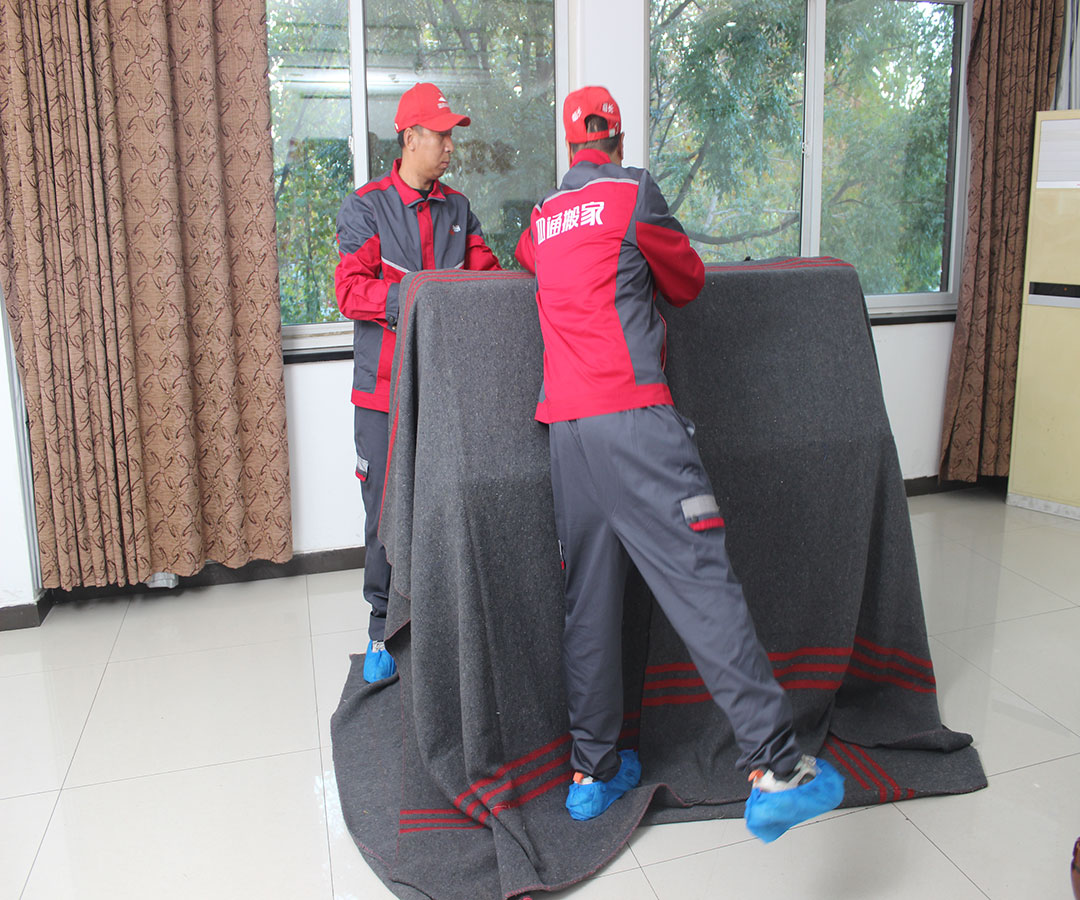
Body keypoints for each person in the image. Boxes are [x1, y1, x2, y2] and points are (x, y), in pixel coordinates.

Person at [514, 85, 843, 840]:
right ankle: (777, 768)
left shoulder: (542, 217)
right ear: (619, 140)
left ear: (571, 148)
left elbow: (533, 259)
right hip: (634, 422)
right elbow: (687, 283)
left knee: (588, 603)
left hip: (566, 434)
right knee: (702, 584)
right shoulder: (633, 194)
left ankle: (591, 775)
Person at [336, 82, 501, 683]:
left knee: (447, 506)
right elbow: (350, 291)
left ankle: (441, 623)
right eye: (441, 135)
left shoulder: (458, 209)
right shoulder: (367, 207)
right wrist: (420, 295)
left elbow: (488, 276)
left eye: (453, 135)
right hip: (383, 394)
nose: (450, 146)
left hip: (445, 393)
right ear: (410, 138)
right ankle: (381, 630)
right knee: (384, 511)